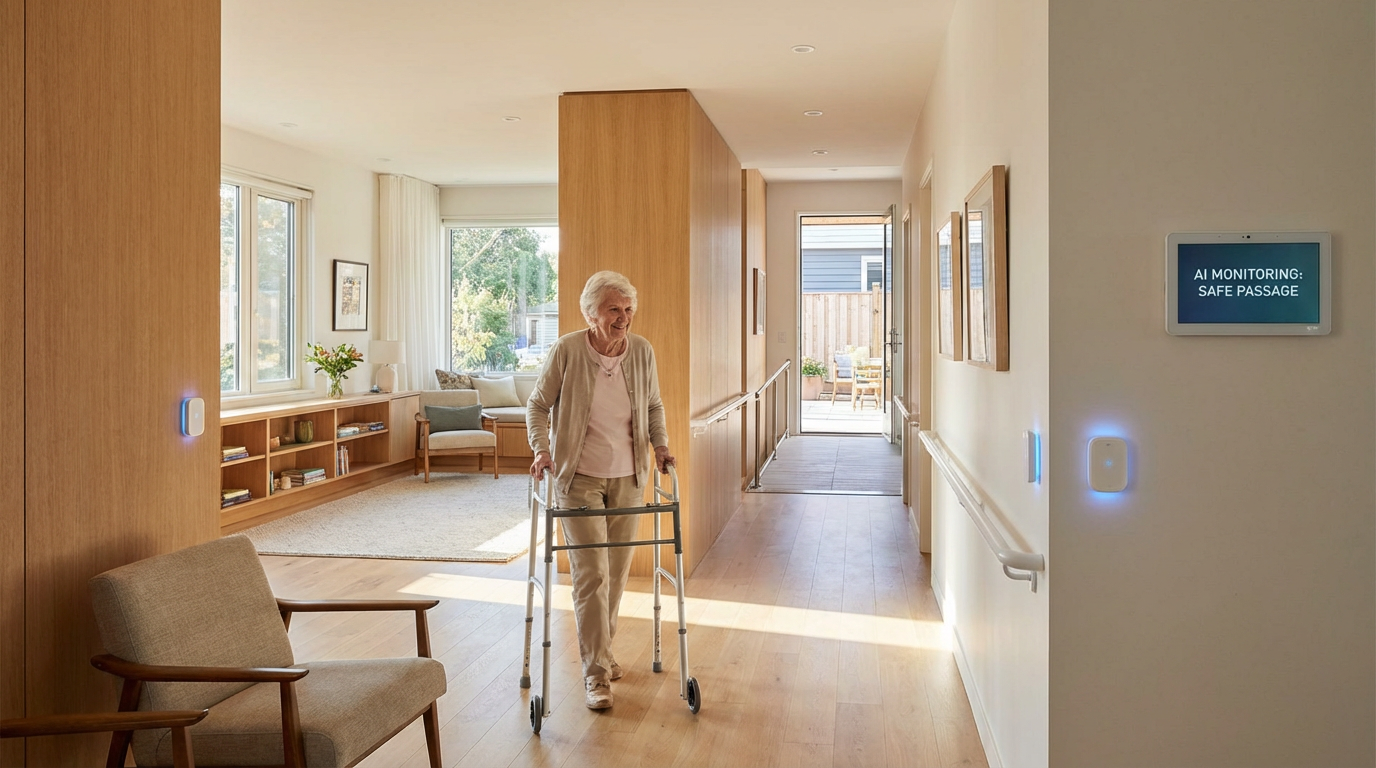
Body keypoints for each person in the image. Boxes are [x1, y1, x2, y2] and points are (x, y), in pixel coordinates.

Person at [527, 270, 676, 710]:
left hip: (630, 476)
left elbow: (652, 403)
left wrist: (661, 443)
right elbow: (538, 404)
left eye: (628, 310)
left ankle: (602, 652)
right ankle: (596, 674)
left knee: (616, 571)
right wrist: (542, 450)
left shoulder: (642, 350)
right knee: (591, 575)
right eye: (614, 309)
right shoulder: (569, 350)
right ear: (591, 313)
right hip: (579, 480)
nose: (623, 318)